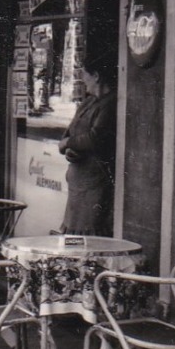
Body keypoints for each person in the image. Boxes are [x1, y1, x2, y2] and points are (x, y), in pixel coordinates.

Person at [60, 55, 116, 235]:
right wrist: (68, 147)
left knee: (90, 233)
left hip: (94, 182)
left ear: (97, 76)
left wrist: (69, 143)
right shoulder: (88, 101)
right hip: (77, 179)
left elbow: (95, 137)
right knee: (72, 233)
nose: (82, 79)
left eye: (85, 74)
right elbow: (70, 131)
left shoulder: (110, 103)